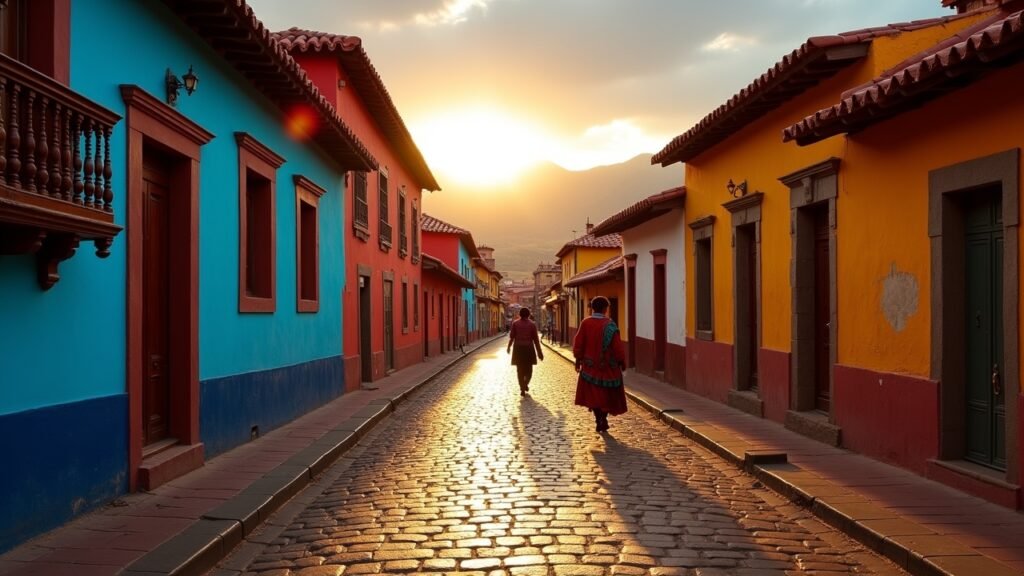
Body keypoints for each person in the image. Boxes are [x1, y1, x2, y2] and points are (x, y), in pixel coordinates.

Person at [573, 296, 627, 432]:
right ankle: (603, 417)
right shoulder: (610, 325)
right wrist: (622, 361)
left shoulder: (585, 323)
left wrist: (578, 359)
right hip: (608, 368)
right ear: (605, 309)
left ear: (592, 308)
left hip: (590, 367)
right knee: (607, 395)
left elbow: (578, 343)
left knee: (594, 395)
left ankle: (598, 419)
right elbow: (617, 346)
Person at [507, 307, 544, 395]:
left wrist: (509, 347)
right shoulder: (532, 324)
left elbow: (512, 337)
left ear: (520, 314)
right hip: (529, 349)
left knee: (519, 370)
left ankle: (522, 387)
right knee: (529, 370)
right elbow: (536, 340)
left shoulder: (515, 324)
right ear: (528, 314)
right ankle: (525, 383)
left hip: (518, 349)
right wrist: (539, 353)